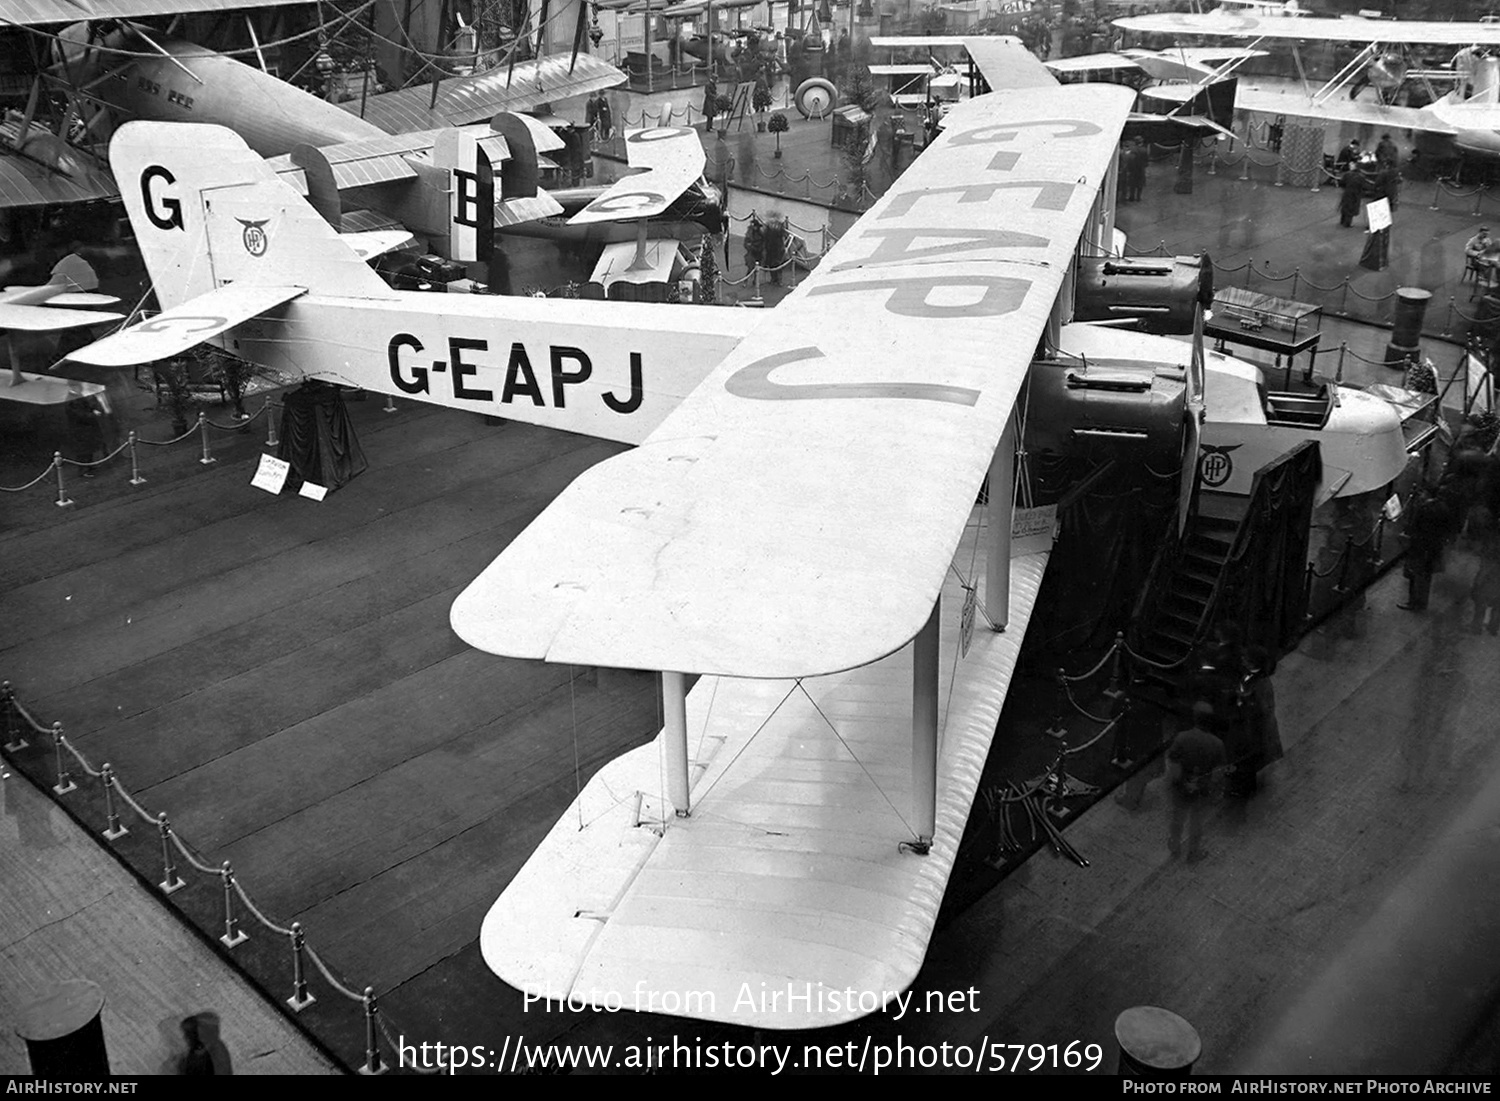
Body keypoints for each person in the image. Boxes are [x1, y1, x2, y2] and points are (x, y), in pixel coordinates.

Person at [1165, 701, 1225, 861]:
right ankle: (1193, 852)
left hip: (1181, 784)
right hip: (1202, 787)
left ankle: (1175, 847)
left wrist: (1177, 779)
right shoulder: (1217, 744)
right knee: (1197, 821)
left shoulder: (1182, 737)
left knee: (1177, 817)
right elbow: (1219, 771)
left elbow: (1172, 759)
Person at [1400, 486, 1454, 611]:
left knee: (1416, 573)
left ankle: (1414, 602)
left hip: (1420, 545)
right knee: (1426, 575)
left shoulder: (1424, 507)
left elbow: (1415, 525)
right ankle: (1422, 602)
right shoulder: (1444, 508)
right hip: (1434, 546)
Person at [1467, 507, 1500, 634]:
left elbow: (1487, 563)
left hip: (1491, 575)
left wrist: (1478, 582)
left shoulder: (1494, 542)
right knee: (1498, 604)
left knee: (1481, 602)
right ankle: (1493, 627)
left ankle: (1476, 627)